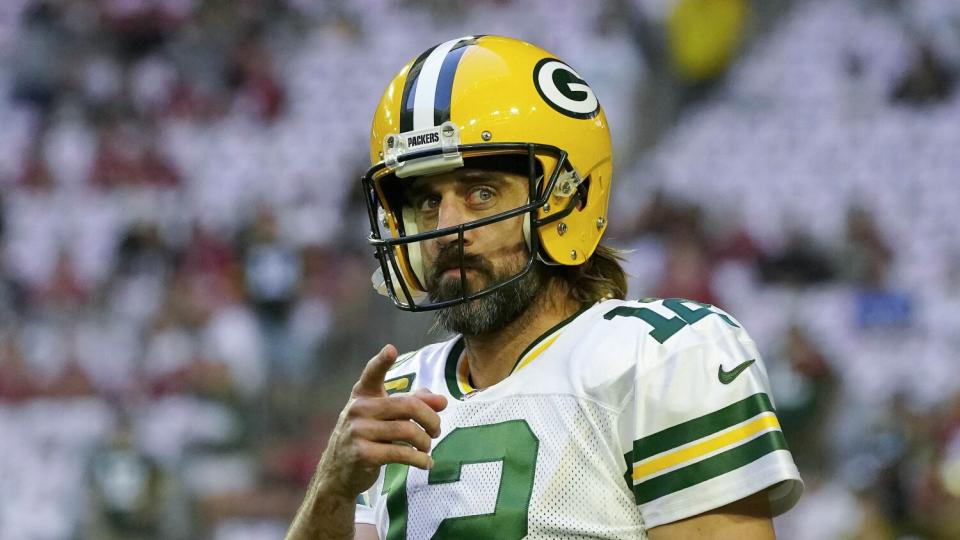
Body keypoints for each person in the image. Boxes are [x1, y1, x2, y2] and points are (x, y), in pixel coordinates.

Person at [287, 35, 802, 539]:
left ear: (568, 200)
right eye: (426, 201)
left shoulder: (662, 357)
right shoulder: (396, 393)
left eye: (481, 193)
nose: (447, 227)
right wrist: (331, 488)